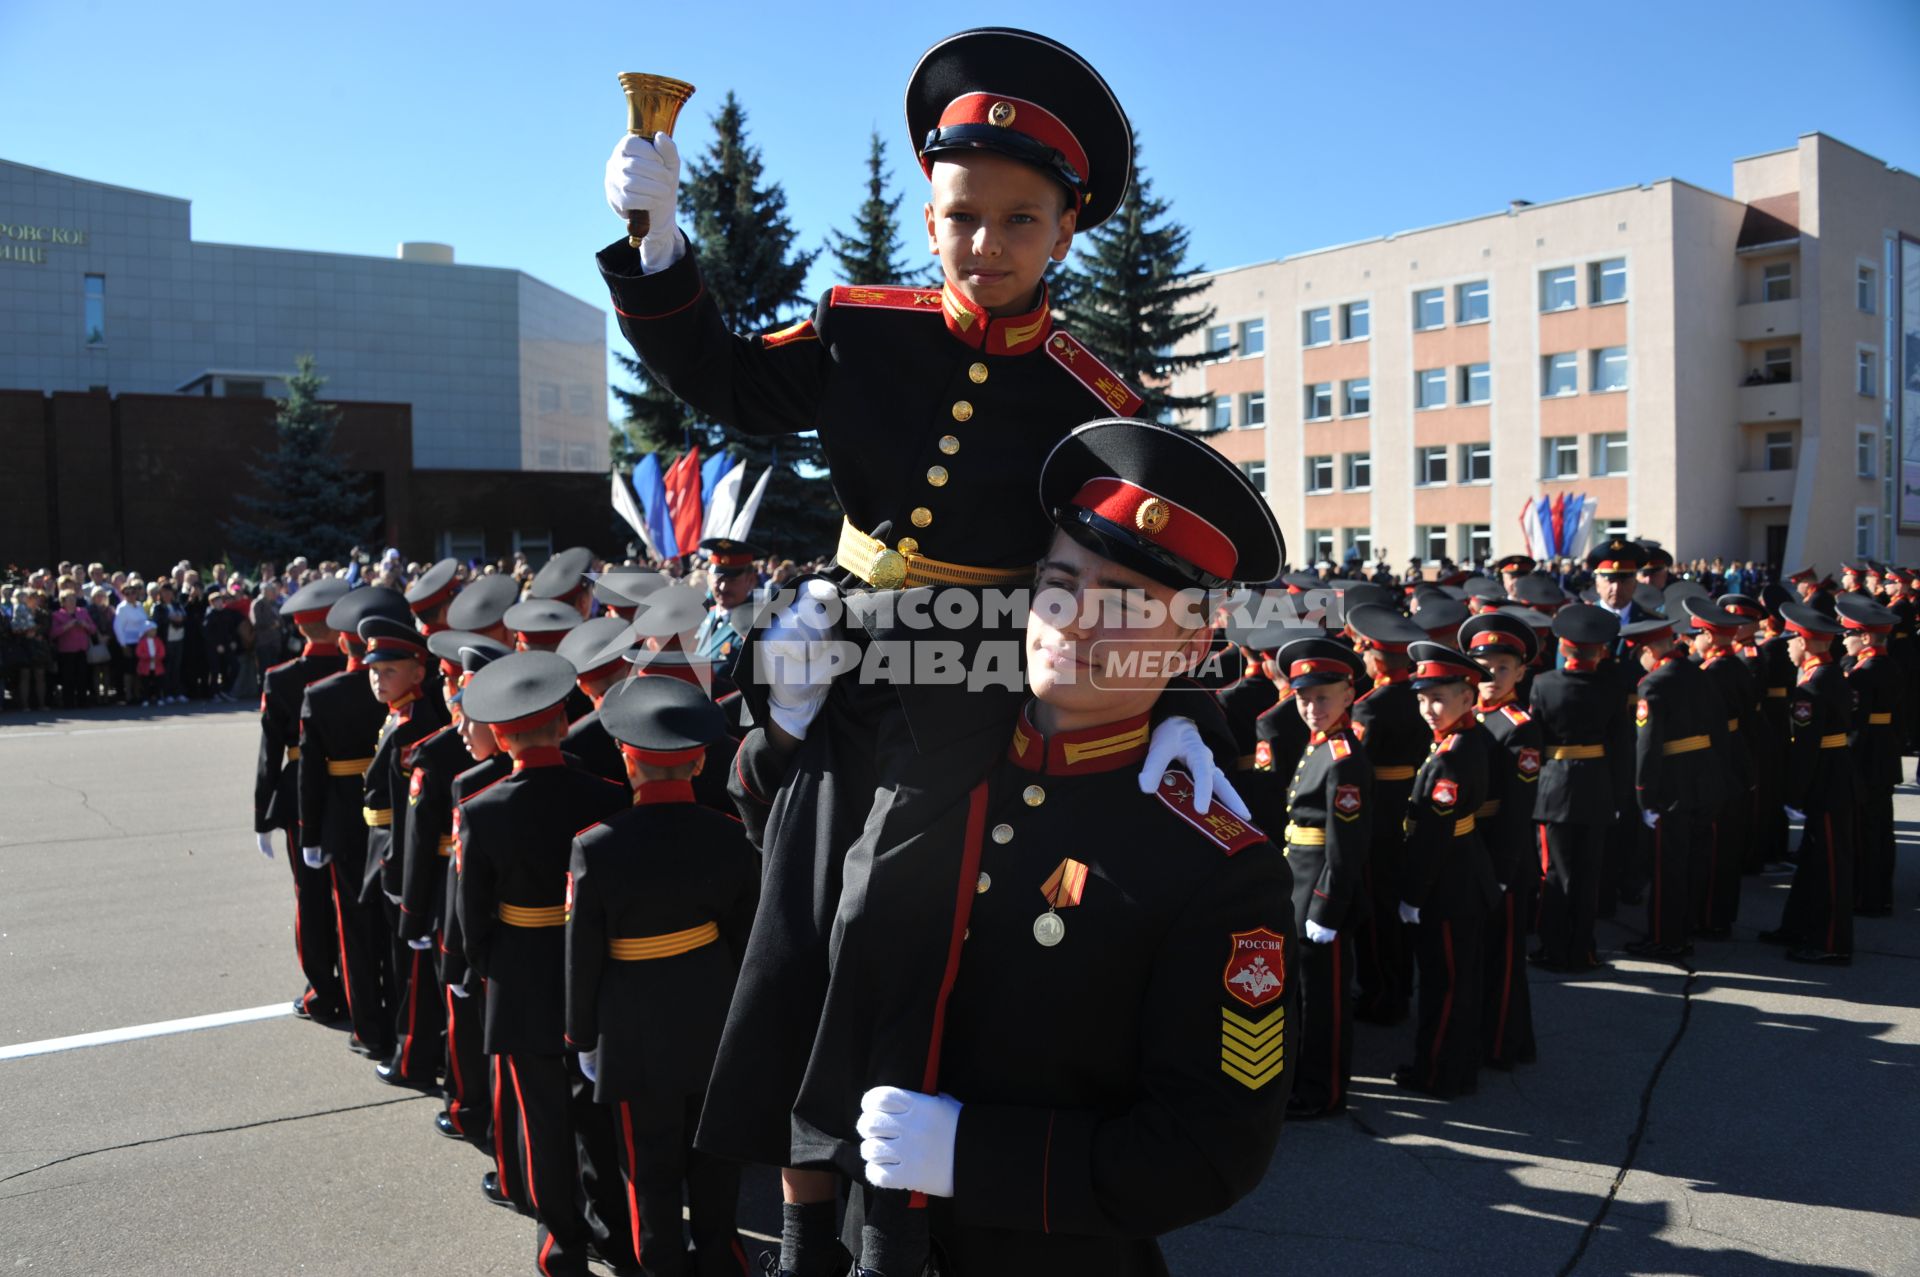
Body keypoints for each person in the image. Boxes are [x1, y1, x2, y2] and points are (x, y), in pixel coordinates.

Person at [851, 416, 1294, 1274]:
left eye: (1127, 603)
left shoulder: (1218, 867)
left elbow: (1213, 1149)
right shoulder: (931, 762)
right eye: (1060, 584)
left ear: (1194, 643)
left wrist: (970, 1153)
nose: (1076, 622)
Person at [566, 674, 761, 1276]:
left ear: (626, 760)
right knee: (714, 1158)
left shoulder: (594, 846)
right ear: (701, 761)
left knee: (649, 1168)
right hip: (710, 1010)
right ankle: (721, 1262)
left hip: (632, 1026)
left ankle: (662, 1266)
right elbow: (746, 936)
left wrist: (582, 1037)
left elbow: (583, 953)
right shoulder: (730, 836)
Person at [458, 651, 635, 1275]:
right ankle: (616, 1235)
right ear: (564, 722)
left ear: (499, 736)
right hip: (599, 973)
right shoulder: (609, 795)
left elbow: (472, 920)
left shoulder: (482, 810)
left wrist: (492, 967)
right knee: (600, 1118)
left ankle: (561, 1244)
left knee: (543, 1125)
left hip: (523, 975)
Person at [299, 587, 413, 1059]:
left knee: (356, 932)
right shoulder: (407, 692)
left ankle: (369, 1027)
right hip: (397, 822)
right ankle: (404, 1026)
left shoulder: (322, 694)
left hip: (346, 823)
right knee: (393, 936)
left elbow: (310, 775)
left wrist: (309, 835)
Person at [1393, 641, 1499, 1099]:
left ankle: (1439, 1072)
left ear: (1468, 697)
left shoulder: (1452, 756)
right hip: (1460, 874)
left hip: (1449, 882)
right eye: (1421, 698)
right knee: (1455, 980)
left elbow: (1435, 835)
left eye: (1439, 698)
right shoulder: (1461, 739)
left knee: (1446, 984)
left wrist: (1413, 895)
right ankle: (1455, 1065)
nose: (1428, 709)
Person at [1272, 634, 1370, 1118]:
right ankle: (1304, 1080)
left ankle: (1324, 1090)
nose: (1312, 708)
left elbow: (1344, 847)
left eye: (1323, 698)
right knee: (1303, 994)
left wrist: (1326, 907)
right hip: (1301, 881)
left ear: (1349, 695)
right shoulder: (1320, 748)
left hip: (1320, 893)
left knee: (1324, 999)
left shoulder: (1344, 759)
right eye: (1304, 699)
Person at [356, 614, 452, 1089]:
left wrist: (396, 873)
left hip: (398, 856)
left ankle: (414, 1057)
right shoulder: (397, 714)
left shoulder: (414, 726)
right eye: (374, 669)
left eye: (389, 670)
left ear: (419, 672)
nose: (378, 678)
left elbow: (411, 815)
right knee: (398, 966)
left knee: (410, 970)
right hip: (383, 848)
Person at [256, 577, 352, 1022]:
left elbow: (269, 755)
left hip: (299, 797)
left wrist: (262, 816)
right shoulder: (362, 671)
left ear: (299, 626)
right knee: (351, 898)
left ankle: (323, 990)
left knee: (310, 899)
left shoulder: (281, 679)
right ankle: (360, 988)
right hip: (355, 791)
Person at [1460, 612, 1543, 1069]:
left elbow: (1516, 811)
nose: (1491, 676)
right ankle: (1481, 1033)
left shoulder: (1519, 726)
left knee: (1504, 957)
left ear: (1522, 672)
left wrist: (1504, 872)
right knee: (1475, 954)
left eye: (1503, 667)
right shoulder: (1467, 715)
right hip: (1468, 850)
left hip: (1500, 854)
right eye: (1483, 666)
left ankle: (1504, 1044)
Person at [1343, 603, 1430, 1026]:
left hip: (1376, 819)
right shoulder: (1420, 694)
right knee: (1398, 907)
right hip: (1410, 806)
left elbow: (1356, 770)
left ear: (1375, 659)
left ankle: (1383, 994)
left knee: (1376, 914)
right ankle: (1400, 987)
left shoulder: (1369, 708)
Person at [1619, 615, 1726, 959]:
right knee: (1695, 859)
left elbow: (1647, 746)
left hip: (1671, 786)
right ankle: (1688, 925)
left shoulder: (1653, 684)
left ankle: (1666, 937)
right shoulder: (1700, 672)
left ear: (1649, 649)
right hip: (1704, 777)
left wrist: (1643, 794)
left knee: (1667, 866)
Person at [1759, 603, 1857, 964]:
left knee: (1830, 864)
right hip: (1834, 774)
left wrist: (1792, 794)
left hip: (1826, 781)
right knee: (1814, 862)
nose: (1787, 646)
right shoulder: (1829, 675)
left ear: (1806, 642)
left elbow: (1805, 749)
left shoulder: (1813, 687)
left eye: (1792, 639)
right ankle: (1798, 927)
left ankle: (1832, 943)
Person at [1679, 596, 1761, 938]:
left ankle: (1707, 917)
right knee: (1727, 844)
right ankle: (1720, 914)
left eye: (1696, 634)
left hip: (1715, 759)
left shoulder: (1708, 674)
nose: (1693, 641)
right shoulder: (1739, 664)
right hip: (1737, 755)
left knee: (1712, 846)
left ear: (1709, 637)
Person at [1835, 594, 1901, 918]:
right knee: (1881, 827)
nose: (1844, 641)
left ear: (1863, 637)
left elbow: (1855, 722)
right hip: (1886, 752)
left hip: (1866, 754)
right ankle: (1881, 894)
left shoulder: (1862, 673)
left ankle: (1865, 895)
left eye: (1847, 634)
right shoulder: (1890, 664)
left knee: (1865, 829)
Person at [49, 588, 97, 709]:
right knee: (68, 677)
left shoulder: (83, 612)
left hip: (82, 649)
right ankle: (68, 702)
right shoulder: (57, 615)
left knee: (82, 676)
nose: (72, 602)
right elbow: (53, 633)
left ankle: (82, 701)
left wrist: (84, 625)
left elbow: (93, 629)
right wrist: (68, 625)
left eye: (73, 599)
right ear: (63, 602)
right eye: (69, 600)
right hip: (66, 651)